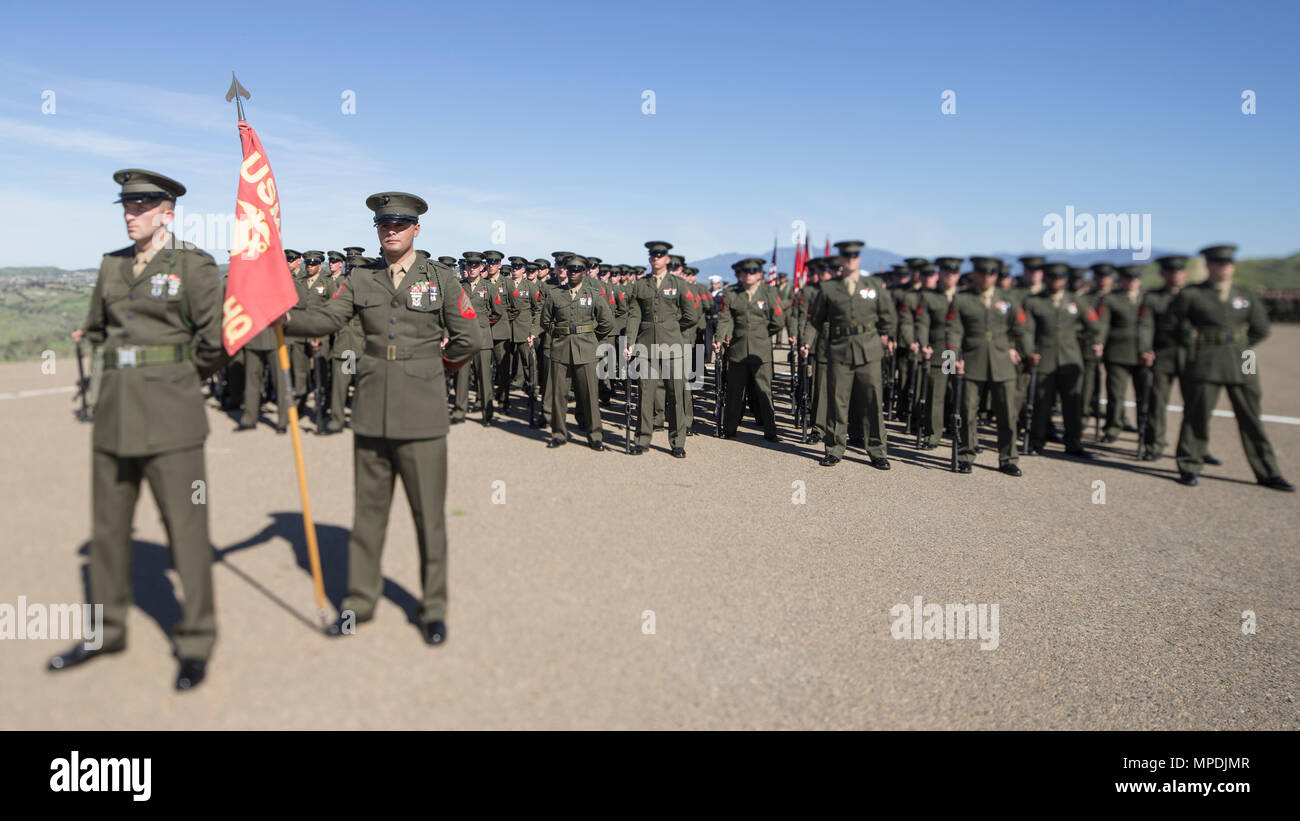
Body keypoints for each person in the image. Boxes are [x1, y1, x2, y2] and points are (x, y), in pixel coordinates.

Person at [280, 192, 486, 643]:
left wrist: (440, 368)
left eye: (399, 223)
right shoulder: (360, 279)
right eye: (383, 223)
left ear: (416, 229)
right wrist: (281, 317)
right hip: (372, 410)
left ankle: (433, 607)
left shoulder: (442, 278)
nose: (391, 230)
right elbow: (328, 319)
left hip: (424, 413)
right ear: (376, 228)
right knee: (368, 515)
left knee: (428, 517)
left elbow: (469, 336)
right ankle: (359, 602)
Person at [51, 168, 227, 690]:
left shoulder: (193, 266)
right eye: (125, 208)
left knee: (186, 532)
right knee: (108, 534)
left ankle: (196, 641)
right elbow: (100, 330)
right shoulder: (111, 266)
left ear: (166, 213)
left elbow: (213, 343)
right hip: (114, 416)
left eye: (140, 208)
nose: (130, 215)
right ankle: (108, 632)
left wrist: (173, 376)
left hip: (173, 419)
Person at [1171, 245, 1293, 491]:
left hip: (1243, 358)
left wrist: (1241, 344)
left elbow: (1262, 328)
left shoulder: (1244, 293)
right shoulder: (1192, 294)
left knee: (1251, 418)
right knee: (1197, 415)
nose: (1224, 268)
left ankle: (1268, 472)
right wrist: (1192, 342)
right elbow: (1173, 325)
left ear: (1232, 266)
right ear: (1209, 265)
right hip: (1206, 359)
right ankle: (1189, 465)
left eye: (1228, 263)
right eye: (1218, 263)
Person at [801, 241, 897, 468]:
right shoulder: (828, 288)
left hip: (869, 348)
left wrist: (886, 335)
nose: (850, 260)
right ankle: (834, 448)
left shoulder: (873, 285)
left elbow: (888, 315)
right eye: (846, 257)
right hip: (840, 348)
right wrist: (807, 342)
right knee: (838, 401)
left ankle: (877, 450)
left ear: (859, 259)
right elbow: (815, 320)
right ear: (841, 260)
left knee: (872, 400)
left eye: (854, 256)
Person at [945, 256, 1028, 475]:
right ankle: (965, 455)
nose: (986, 277)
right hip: (972, 362)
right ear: (974, 274)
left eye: (991, 274)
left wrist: (1020, 351)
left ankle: (1008, 458)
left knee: (1007, 414)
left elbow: (1019, 329)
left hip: (1002, 363)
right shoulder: (962, 299)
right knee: (967, 411)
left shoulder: (1007, 299)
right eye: (981, 273)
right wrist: (953, 360)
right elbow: (953, 331)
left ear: (996, 276)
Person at [624, 241, 698, 457]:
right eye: (653, 255)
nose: (656, 258)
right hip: (645, 346)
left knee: (675, 395)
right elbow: (634, 314)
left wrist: (673, 329)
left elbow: (691, 315)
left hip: (672, 346)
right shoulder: (640, 285)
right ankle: (642, 439)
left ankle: (677, 442)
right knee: (645, 393)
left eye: (660, 255)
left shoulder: (679, 284)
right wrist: (630, 342)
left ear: (667, 259)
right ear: (649, 259)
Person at [1021, 263, 1096, 457]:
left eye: (1060, 278)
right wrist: (1030, 351)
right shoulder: (1034, 302)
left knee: (1072, 403)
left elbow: (1094, 325)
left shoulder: (1076, 301)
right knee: (1041, 403)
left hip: (1070, 358)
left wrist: (1092, 342)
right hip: (1044, 358)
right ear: (1046, 278)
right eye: (1052, 278)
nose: (1056, 281)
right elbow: (1027, 330)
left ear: (1065, 280)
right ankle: (1037, 441)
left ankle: (1073, 442)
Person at [540, 255, 614, 449]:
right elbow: (545, 321)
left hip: (586, 350)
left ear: (584, 272)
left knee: (589, 395)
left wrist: (592, 339)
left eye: (577, 270)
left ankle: (595, 436)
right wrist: (558, 335)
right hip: (561, 349)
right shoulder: (555, 294)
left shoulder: (593, 294)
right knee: (559, 395)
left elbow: (607, 322)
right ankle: (558, 434)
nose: (573, 273)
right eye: (570, 269)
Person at [713, 257, 785, 441]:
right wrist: (719, 338)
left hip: (760, 349)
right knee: (735, 391)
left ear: (760, 274)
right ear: (740, 275)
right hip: (738, 349)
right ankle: (729, 429)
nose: (749, 275)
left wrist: (761, 334)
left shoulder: (769, 292)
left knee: (764, 391)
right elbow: (725, 318)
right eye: (745, 272)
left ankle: (770, 430)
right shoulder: (731, 294)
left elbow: (778, 321)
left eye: (753, 271)